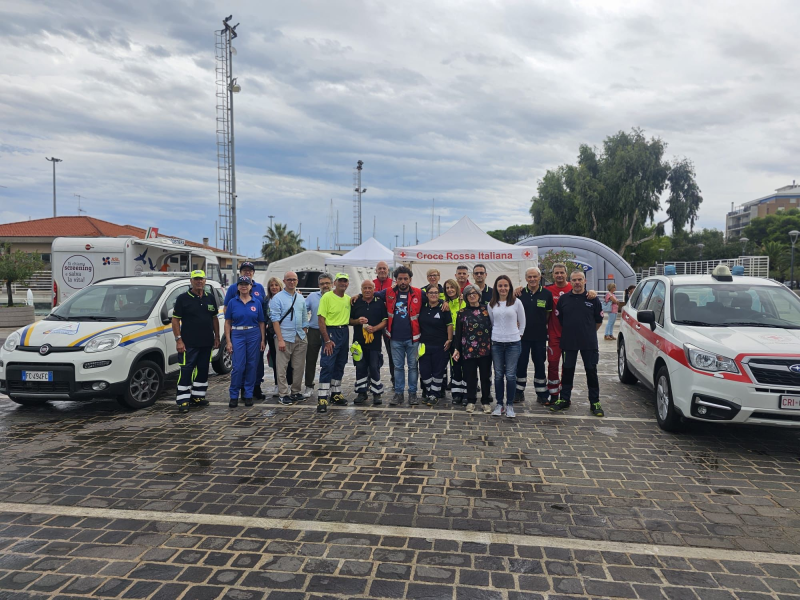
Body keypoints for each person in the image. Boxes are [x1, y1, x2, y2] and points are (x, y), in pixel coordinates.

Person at [551, 270, 604, 417]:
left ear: (585, 281)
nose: (577, 282)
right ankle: (565, 399)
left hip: (589, 343)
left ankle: (595, 402)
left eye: (580, 279)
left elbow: (598, 322)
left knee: (591, 372)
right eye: (574, 280)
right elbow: (561, 319)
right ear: (571, 281)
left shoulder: (593, 299)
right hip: (569, 342)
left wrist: (587, 332)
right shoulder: (564, 299)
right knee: (567, 371)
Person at [171, 270, 220, 414]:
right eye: (196, 279)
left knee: (203, 370)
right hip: (189, 343)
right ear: (191, 281)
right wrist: (178, 340)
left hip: (206, 342)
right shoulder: (183, 298)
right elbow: (175, 320)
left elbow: (214, 318)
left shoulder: (210, 297)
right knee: (186, 370)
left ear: (205, 281)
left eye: (201, 279)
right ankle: (183, 400)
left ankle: (198, 396)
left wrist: (217, 337)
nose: (199, 282)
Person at [224, 261, 268, 399]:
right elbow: (227, 312)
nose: (247, 272)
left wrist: (263, 337)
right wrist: (229, 336)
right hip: (238, 331)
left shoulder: (259, 288)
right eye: (245, 270)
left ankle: (253, 389)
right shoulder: (233, 290)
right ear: (240, 272)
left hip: (254, 331)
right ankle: (239, 390)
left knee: (255, 362)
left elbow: (263, 311)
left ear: (253, 273)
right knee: (238, 364)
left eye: (250, 270)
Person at [487, 275, 526, 418]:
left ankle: (509, 405)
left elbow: (522, 322)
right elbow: (492, 323)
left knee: (510, 375)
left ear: (509, 287)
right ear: (496, 288)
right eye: (500, 286)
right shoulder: (492, 304)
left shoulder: (517, 302)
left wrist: (518, 335)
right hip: (497, 343)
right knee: (498, 375)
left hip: (513, 344)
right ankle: (499, 404)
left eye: (505, 285)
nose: (503, 288)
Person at [385, 265, 423, 406]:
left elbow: (434, 298)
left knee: (413, 367)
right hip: (395, 338)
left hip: (413, 338)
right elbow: (372, 295)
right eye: (400, 279)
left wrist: (444, 304)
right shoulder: (389, 292)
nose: (403, 281)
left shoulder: (418, 293)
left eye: (405, 279)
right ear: (395, 280)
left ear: (410, 279)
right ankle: (398, 394)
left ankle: (413, 394)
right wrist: (358, 295)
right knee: (398, 367)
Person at [270, 271, 310, 406]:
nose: (292, 282)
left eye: (294, 280)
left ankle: (296, 391)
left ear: (297, 281)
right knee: (282, 367)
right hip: (284, 337)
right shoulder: (277, 298)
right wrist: (280, 339)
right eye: (289, 280)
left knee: (299, 367)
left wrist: (305, 330)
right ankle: (283, 393)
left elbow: (304, 315)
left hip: (300, 336)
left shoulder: (300, 297)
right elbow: (275, 320)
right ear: (284, 281)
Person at [515, 267, 553, 404]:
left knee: (540, 364)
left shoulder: (547, 294)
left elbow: (548, 314)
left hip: (540, 337)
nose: (532, 279)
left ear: (539, 277)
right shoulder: (519, 293)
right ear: (526, 279)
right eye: (529, 277)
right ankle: (518, 392)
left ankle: (542, 393)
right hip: (522, 337)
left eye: (534, 277)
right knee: (521, 364)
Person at [453, 284, 492, 414]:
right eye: (469, 294)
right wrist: (457, 349)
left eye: (474, 293)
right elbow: (458, 333)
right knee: (470, 377)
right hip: (468, 350)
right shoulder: (462, 312)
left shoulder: (487, 310)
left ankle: (486, 401)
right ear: (465, 297)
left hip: (485, 349)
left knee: (485, 377)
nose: (472, 295)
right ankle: (471, 400)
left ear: (479, 295)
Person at [317, 273, 352, 413]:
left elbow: (350, 319)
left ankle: (335, 393)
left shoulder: (348, 299)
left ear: (348, 284)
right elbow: (321, 319)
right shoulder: (327, 297)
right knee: (327, 364)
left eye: (345, 281)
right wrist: (326, 340)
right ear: (335, 283)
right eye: (340, 281)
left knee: (340, 363)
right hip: (331, 332)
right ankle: (322, 397)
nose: (343, 283)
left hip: (344, 331)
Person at [349, 280, 388, 405]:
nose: (367, 290)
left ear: (374, 289)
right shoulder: (356, 302)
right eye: (364, 288)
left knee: (374, 367)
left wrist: (375, 328)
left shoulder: (379, 302)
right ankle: (361, 392)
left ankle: (377, 393)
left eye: (369, 288)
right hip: (358, 342)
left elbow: (385, 320)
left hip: (374, 342)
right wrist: (357, 321)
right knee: (360, 367)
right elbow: (349, 320)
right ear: (361, 289)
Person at [418, 287, 453, 407]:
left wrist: (449, 339)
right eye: (431, 293)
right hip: (424, 345)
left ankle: (434, 395)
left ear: (439, 295)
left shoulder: (444, 308)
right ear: (426, 294)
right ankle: (429, 391)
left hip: (440, 345)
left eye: (436, 293)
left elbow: (449, 325)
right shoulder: (422, 307)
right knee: (424, 371)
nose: (433, 295)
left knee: (438, 371)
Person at [304, 273, 332, 398]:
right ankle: (309, 386)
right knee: (310, 360)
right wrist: (304, 327)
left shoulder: (336, 296)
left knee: (329, 360)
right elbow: (304, 311)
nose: (325, 285)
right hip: (314, 331)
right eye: (322, 283)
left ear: (332, 283)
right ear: (318, 285)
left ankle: (329, 385)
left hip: (331, 331)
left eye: (327, 283)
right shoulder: (312, 296)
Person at [265, 276, 292, 396]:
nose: (274, 287)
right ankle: (278, 384)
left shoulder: (287, 298)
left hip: (286, 332)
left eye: (276, 285)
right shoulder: (266, 300)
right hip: (272, 333)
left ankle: (289, 383)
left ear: (281, 286)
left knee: (288, 360)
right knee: (276, 359)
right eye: (272, 285)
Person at [443, 279, 467, 404]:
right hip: (451, 339)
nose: (450, 290)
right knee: (455, 366)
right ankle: (456, 394)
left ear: (457, 288)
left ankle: (466, 392)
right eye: (447, 288)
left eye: (452, 287)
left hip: (465, 338)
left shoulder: (464, 301)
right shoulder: (445, 303)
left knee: (466, 367)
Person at [373, 261, 395, 386]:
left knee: (392, 354)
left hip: (390, 324)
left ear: (388, 270)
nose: (382, 270)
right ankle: (374, 379)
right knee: (374, 353)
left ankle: (394, 379)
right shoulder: (371, 284)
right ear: (376, 270)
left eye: (384, 268)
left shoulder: (393, 284)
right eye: (379, 268)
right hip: (374, 323)